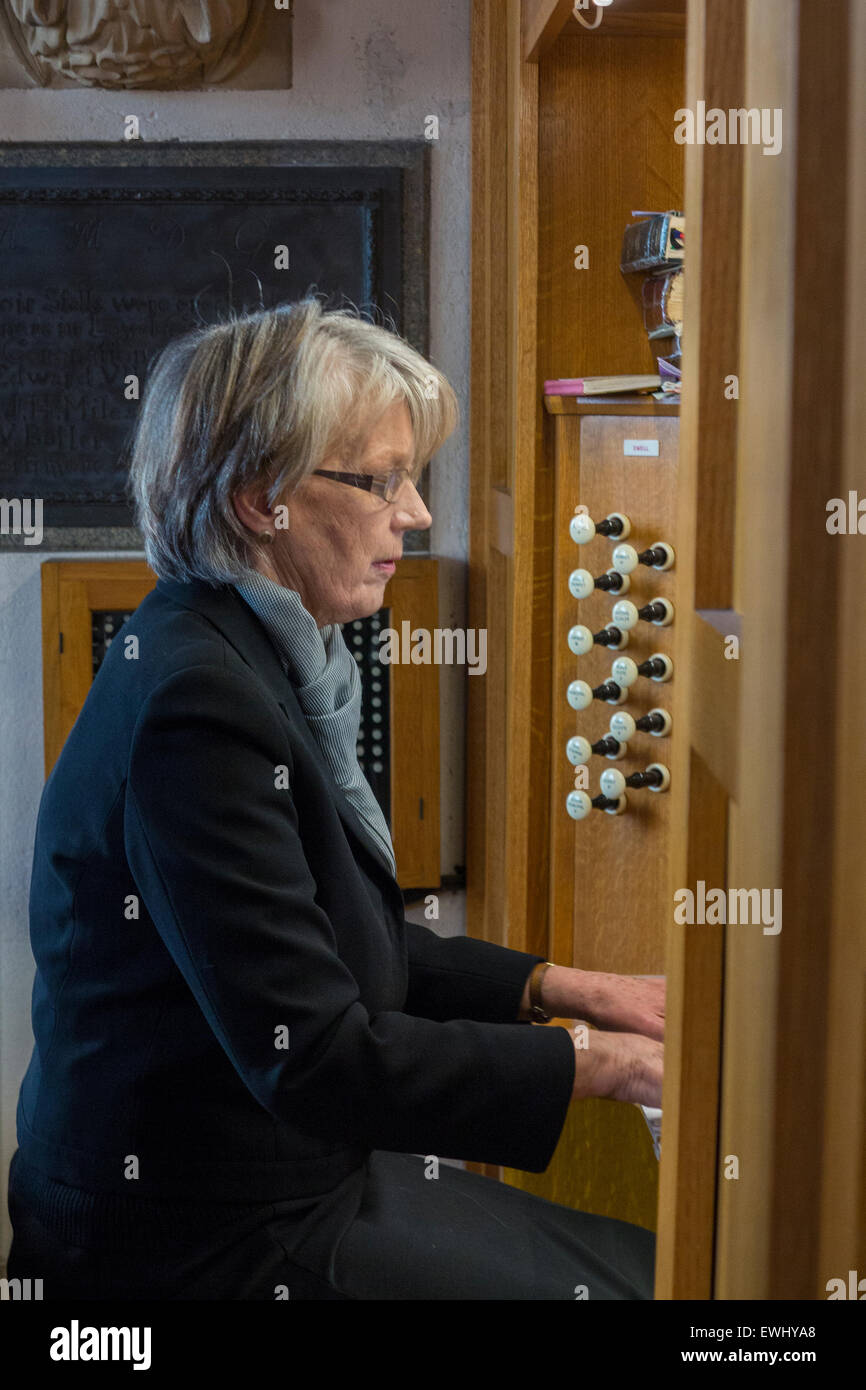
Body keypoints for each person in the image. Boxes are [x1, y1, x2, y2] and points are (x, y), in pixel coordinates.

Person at [6, 297, 663, 1300]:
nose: (417, 513)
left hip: (284, 1176)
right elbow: (315, 1057)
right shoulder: (199, 703)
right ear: (260, 498)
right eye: (381, 480)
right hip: (197, 1242)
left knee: (655, 1273)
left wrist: (567, 989)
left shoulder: (245, 646)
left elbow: (331, 950)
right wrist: (608, 1065)